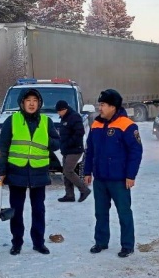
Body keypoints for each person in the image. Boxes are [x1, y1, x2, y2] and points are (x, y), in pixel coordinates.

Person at [0, 88, 60, 255]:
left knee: (39, 210)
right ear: (22, 103)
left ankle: (39, 242)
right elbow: (2, 147)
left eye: (35, 100)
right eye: (28, 100)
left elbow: (56, 144)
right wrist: (0, 171)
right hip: (17, 172)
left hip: (39, 172)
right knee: (16, 210)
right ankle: (17, 242)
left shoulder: (46, 121)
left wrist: (47, 139)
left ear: (39, 103)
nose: (32, 103)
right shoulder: (12, 120)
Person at [84, 89, 143, 258]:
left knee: (124, 212)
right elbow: (90, 150)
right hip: (100, 179)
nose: (99, 108)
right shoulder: (96, 124)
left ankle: (127, 245)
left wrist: (130, 175)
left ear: (113, 107)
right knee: (100, 212)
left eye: (102, 105)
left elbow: (135, 152)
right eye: (100, 104)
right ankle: (101, 242)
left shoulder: (127, 125)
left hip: (119, 180)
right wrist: (87, 171)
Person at [55, 99, 91, 203]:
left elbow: (79, 133)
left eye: (59, 111)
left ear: (64, 109)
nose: (58, 114)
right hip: (67, 149)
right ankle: (69, 195)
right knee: (65, 171)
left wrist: (68, 143)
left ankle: (84, 189)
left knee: (68, 171)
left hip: (75, 149)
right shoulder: (64, 117)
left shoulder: (74, 117)